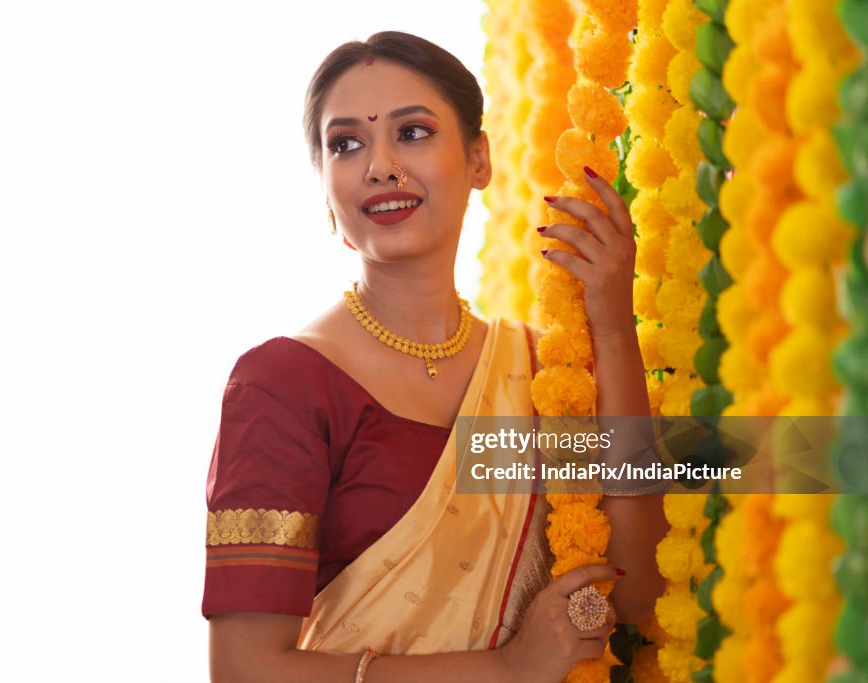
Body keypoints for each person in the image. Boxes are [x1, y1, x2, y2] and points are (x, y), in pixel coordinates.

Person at [203, 31, 670, 683]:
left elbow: (637, 590)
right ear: (325, 188)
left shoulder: (540, 372)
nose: (380, 165)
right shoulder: (283, 384)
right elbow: (245, 670)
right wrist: (506, 668)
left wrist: (614, 329)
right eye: (345, 144)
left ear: (479, 158)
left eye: (413, 132)